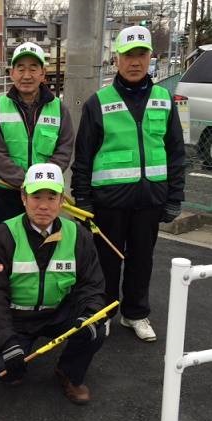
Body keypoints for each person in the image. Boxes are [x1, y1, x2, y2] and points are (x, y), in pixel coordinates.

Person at [70, 26, 185, 342]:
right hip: (108, 200)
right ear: (116, 58)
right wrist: (82, 200)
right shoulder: (99, 102)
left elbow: (176, 151)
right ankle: (104, 313)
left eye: (141, 55)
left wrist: (175, 196)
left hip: (151, 199)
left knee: (142, 260)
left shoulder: (164, 99)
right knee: (105, 262)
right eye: (128, 55)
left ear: (151, 57)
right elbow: (84, 157)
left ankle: (136, 314)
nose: (135, 62)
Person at [0, 163, 106, 405]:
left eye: (51, 197)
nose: (44, 206)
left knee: (96, 328)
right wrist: (6, 341)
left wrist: (88, 315)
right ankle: (15, 347)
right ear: (23, 197)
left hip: (59, 312)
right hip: (17, 317)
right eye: (36, 196)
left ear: (62, 200)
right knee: (6, 371)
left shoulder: (79, 235)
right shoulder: (1, 236)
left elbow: (92, 285)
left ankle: (69, 372)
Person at [0, 41, 74, 226]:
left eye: (33, 68)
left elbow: (64, 150)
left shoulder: (59, 109)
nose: (27, 75)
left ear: (43, 73)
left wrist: (40, 182)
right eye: (21, 68)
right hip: (8, 193)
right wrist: (25, 181)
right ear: (12, 73)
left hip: (45, 194)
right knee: (7, 246)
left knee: (44, 246)